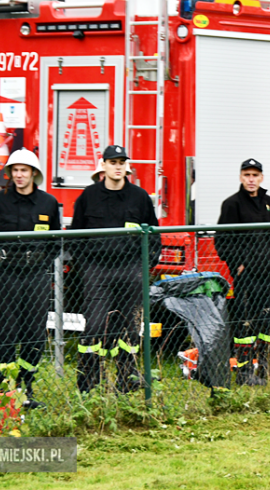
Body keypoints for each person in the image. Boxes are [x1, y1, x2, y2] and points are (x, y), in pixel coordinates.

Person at [0, 149, 61, 408]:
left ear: (34, 173)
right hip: (7, 273)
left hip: (36, 275)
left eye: (25, 170)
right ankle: (4, 392)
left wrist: (45, 260)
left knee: (34, 334)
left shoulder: (48, 202)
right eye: (15, 170)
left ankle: (26, 389)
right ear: (10, 173)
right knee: (5, 333)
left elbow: (56, 237)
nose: (20, 175)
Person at [71, 145, 159, 394]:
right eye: (113, 162)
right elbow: (76, 237)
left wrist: (147, 264)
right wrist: (85, 267)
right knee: (96, 326)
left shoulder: (139, 197)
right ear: (104, 165)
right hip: (97, 270)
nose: (118, 166)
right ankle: (88, 383)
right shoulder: (88, 196)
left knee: (129, 327)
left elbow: (153, 234)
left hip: (130, 269)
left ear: (126, 166)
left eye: (122, 162)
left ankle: (127, 378)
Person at [216, 159, 270, 385]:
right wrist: (238, 265)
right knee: (245, 325)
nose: (251, 179)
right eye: (247, 175)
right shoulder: (232, 205)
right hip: (246, 279)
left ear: (261, 177)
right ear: (241, 177)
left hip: (267, 277)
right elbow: (221, 242)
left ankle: (266, 367)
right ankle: (244, 374)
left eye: (255, 175)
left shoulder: (268, 203)